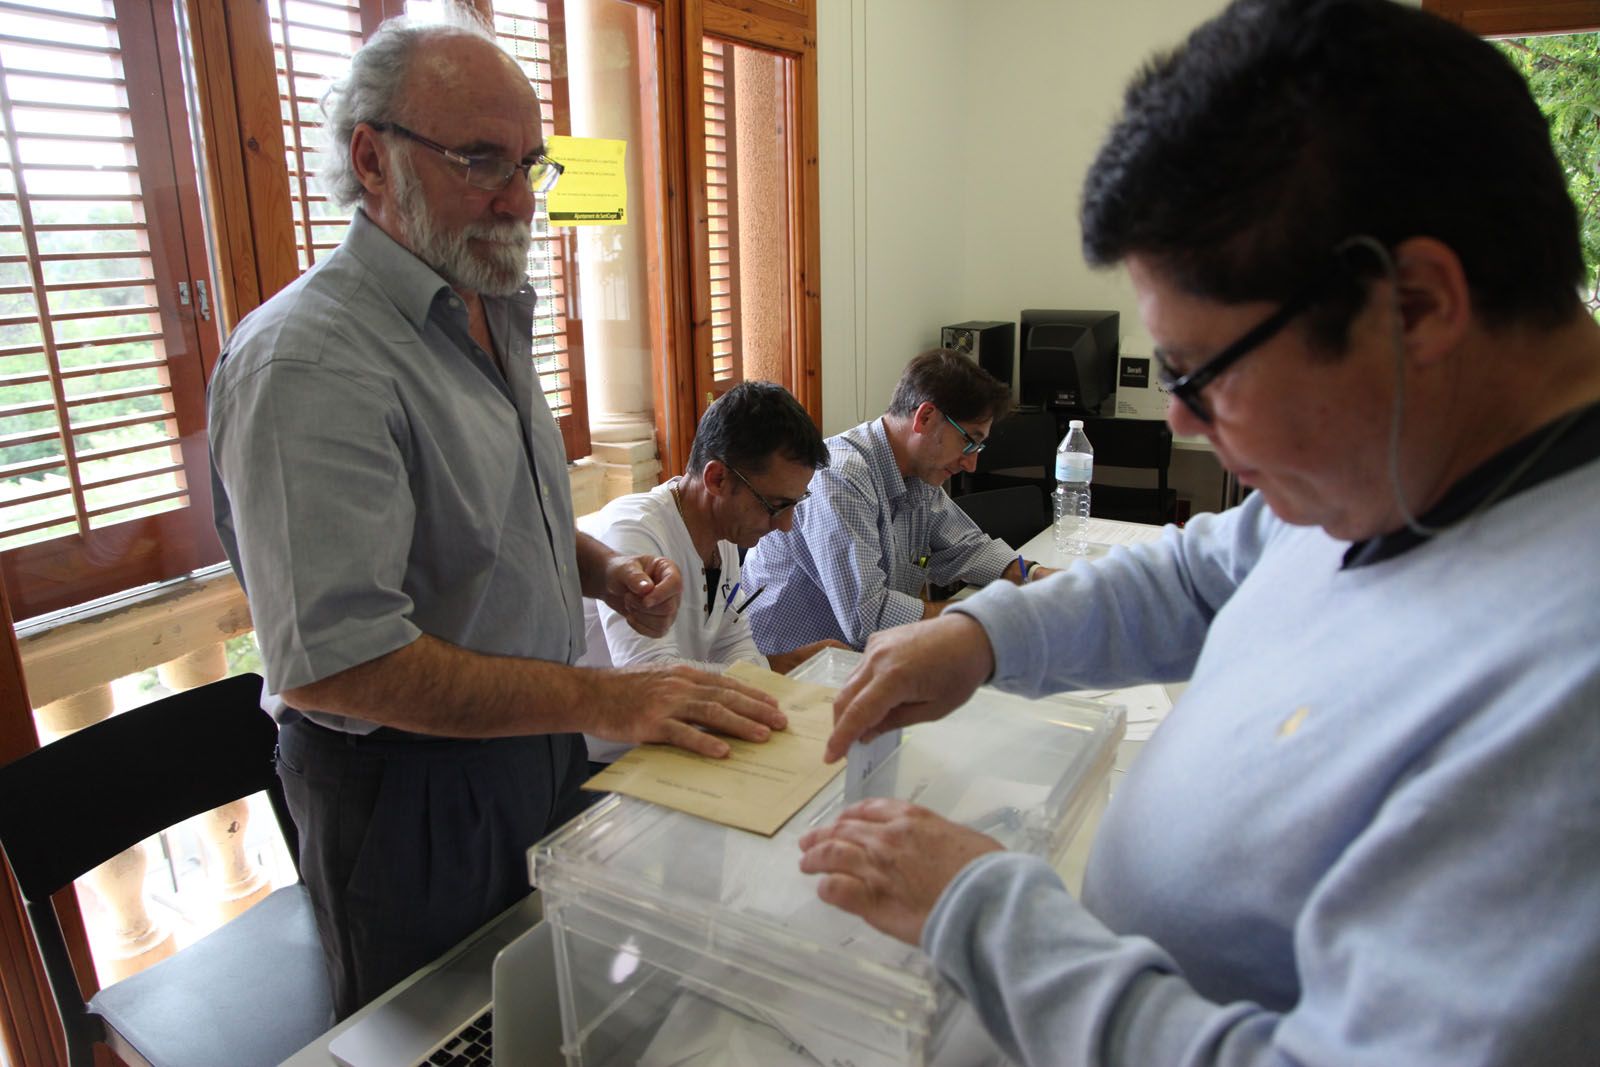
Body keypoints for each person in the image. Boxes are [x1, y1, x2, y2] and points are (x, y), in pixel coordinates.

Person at [796, 1, 1600, 1064]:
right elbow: (1198, 572)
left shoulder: (1565, 695)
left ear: (1413, 306)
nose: (1175, 415)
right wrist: (986, 637)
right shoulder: (1391, 464)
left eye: (1201, 369)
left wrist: (979, 906)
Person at [207, 13, 784, 1017]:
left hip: (536, 744)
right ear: (370, 160)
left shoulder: (484, 299)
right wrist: (608, 701)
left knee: (546, 1008)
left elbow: (496, 513)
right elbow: (339, 661)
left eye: (532, 164)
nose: (519, 199)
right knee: (442, 1031)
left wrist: (601, 570)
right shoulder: (309, 361)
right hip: (408, 792)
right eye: (481, 161)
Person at [577, 381, 845, 765]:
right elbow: (653, 676)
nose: (786, 525)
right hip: (610, 760)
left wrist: (759, 682)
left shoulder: (725, 538)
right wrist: (758, 679)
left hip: (677, 739)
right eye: (775, 505)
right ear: (717, 478)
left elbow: (736, 646)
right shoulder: (634, 530)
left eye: (795, 505)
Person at [741, 348, 1056, 652]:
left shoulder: (920, 473)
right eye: (969, 441)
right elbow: (869, 618)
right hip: (789, 674)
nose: (970, 463)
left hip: (858, 658)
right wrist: (984, 617)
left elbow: (968, 547)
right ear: (926, 417)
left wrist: (1040, 577)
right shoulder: (842, 478)